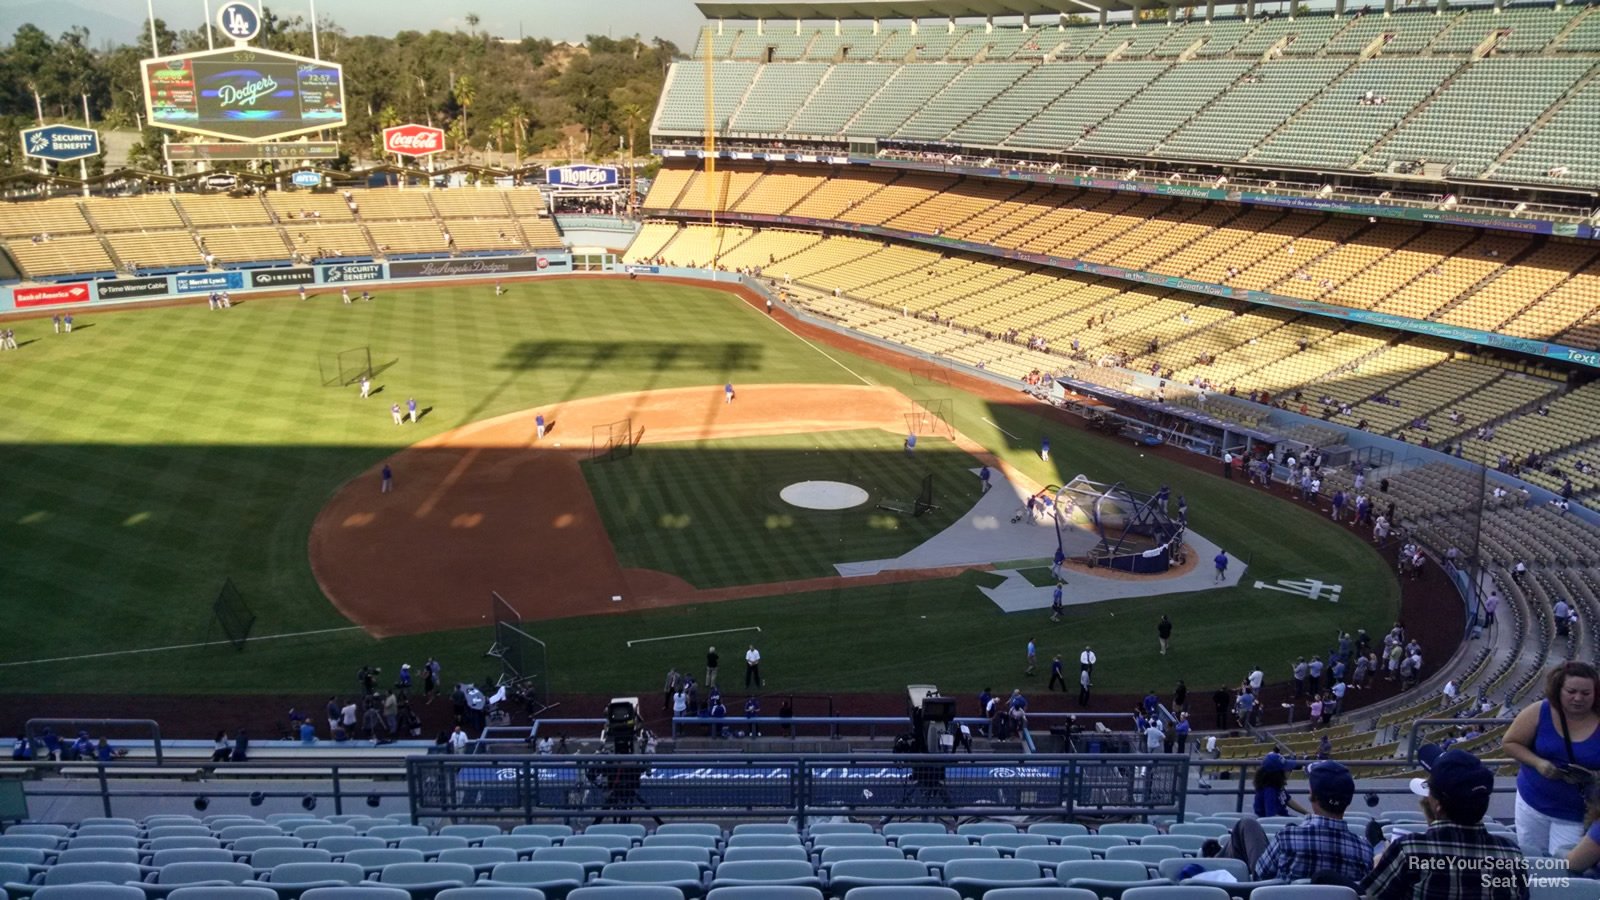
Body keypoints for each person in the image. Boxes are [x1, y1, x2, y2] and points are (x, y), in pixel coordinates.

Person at [1361, 748, 1528, 900]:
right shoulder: (1511, 854)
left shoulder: (1409, 849)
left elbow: (1372, 895)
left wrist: (1378, 863)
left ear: (1438, 806)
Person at [1503, 662, 1600, 857]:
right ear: (1559, 689)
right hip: (1532, 803)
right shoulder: (1540, 711)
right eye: (1571, 691)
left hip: (1576, 814)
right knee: (1531, 859)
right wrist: (1538, 763)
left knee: (1565, 868)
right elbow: (1510, 743)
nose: (1578, 698)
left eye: (1586, 693)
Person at [1254, 760, 1371, 885]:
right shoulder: (1365, 850)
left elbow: (1259, 876)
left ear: (1312, 795)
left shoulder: (1286, 838)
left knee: (1247, 826)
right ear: (1348, 800)